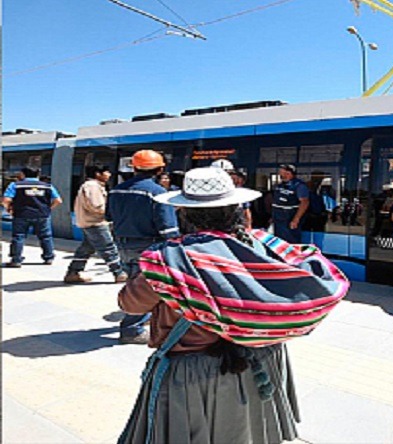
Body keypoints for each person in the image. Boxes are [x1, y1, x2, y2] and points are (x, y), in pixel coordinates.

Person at [117, 167, 350, 444]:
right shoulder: (265, 244)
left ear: (184, 212)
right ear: (235, 209)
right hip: (261, 364)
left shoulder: (168, 259)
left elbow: (130, 304)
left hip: (196, 375)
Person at [107, 150, 180, 344]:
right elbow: (168, 228)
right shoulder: (157, 193)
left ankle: (138, 320)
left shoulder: (116, 190)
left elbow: (108, 216)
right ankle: (131, 329)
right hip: (149, 246)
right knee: (147, 287)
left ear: (134, 167)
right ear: (160, 169)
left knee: (133, 283)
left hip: (123, 245)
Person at [64, 164, 128, 283]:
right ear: (98, 174)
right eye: (106, 172)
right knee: (108, 248)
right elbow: (96, 206)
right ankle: (119, 272)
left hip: (89, 222)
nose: (109, 175)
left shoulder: (91, 185)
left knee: (86, 249)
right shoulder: (93, 186)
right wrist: (112, 212)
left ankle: (73, 272)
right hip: (96, 222)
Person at [2, 167, 63, 267]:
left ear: (23, 174)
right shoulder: (47, 186)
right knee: (45, 237)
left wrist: (9, 209)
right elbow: (58, 200)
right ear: (38, 175)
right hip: (42, 215)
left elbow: (6, 200)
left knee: (19, 236)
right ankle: (48, 258)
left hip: (21, 215)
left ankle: (16, 260)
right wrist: (48, 209)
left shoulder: (15, 185)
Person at [271, 164, 309, 243]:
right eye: (281, 173)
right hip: (278, 218)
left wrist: (296, 219)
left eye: (284, 173)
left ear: (290, 173)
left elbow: (304, 202)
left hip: (289, 218)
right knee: (278, 242)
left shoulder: (299, 186)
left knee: (290, 241)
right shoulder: (280, 185)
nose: (281, 175)